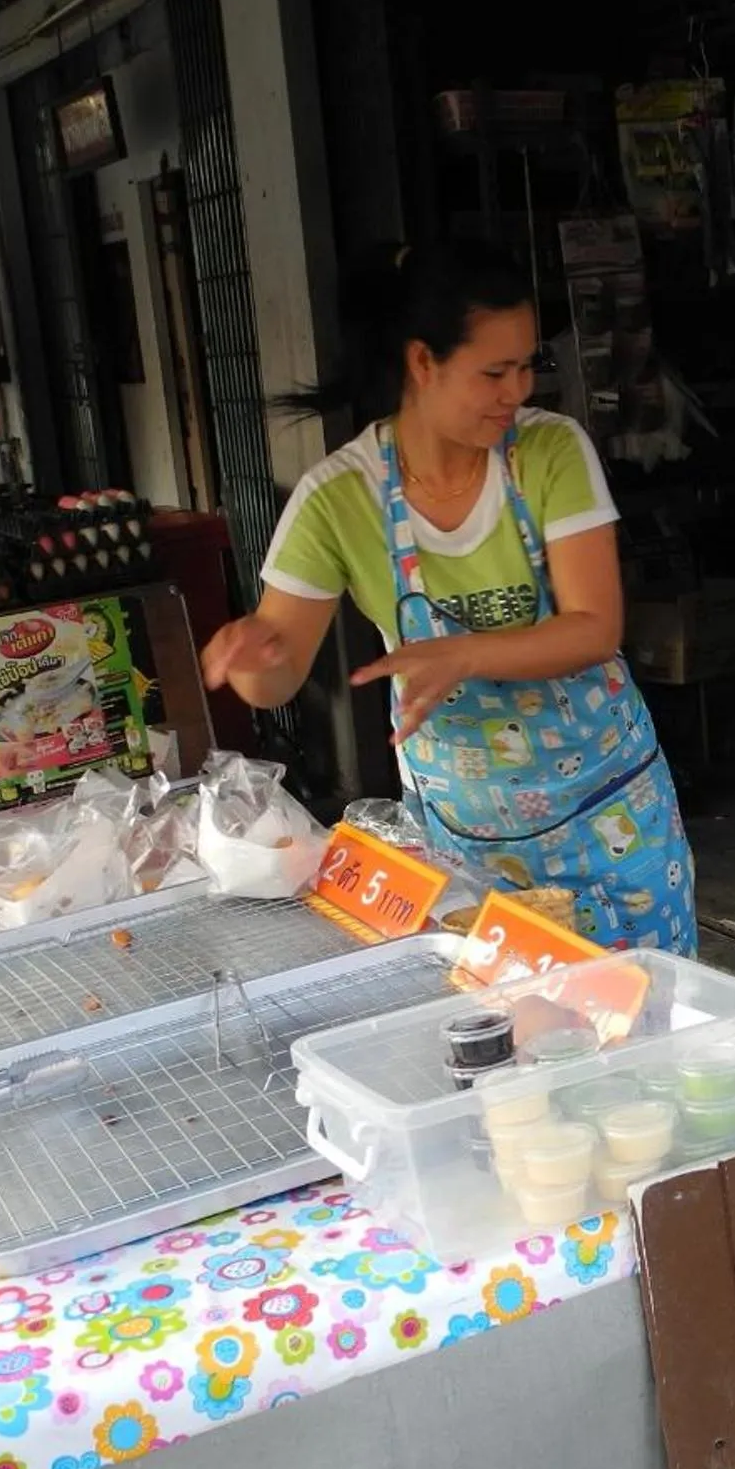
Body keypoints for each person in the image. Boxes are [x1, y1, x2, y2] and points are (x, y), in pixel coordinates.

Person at [202, 241, 695, 952]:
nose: (518, 390)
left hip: (611, 824)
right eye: (495, 371)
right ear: (422, 363)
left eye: (527, 365)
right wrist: (249, 655)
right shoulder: (341, 497)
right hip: (468, 848)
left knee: (650, 1028)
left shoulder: (551, 453)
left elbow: (594, 629)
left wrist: (463, 654)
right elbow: (276, 670)